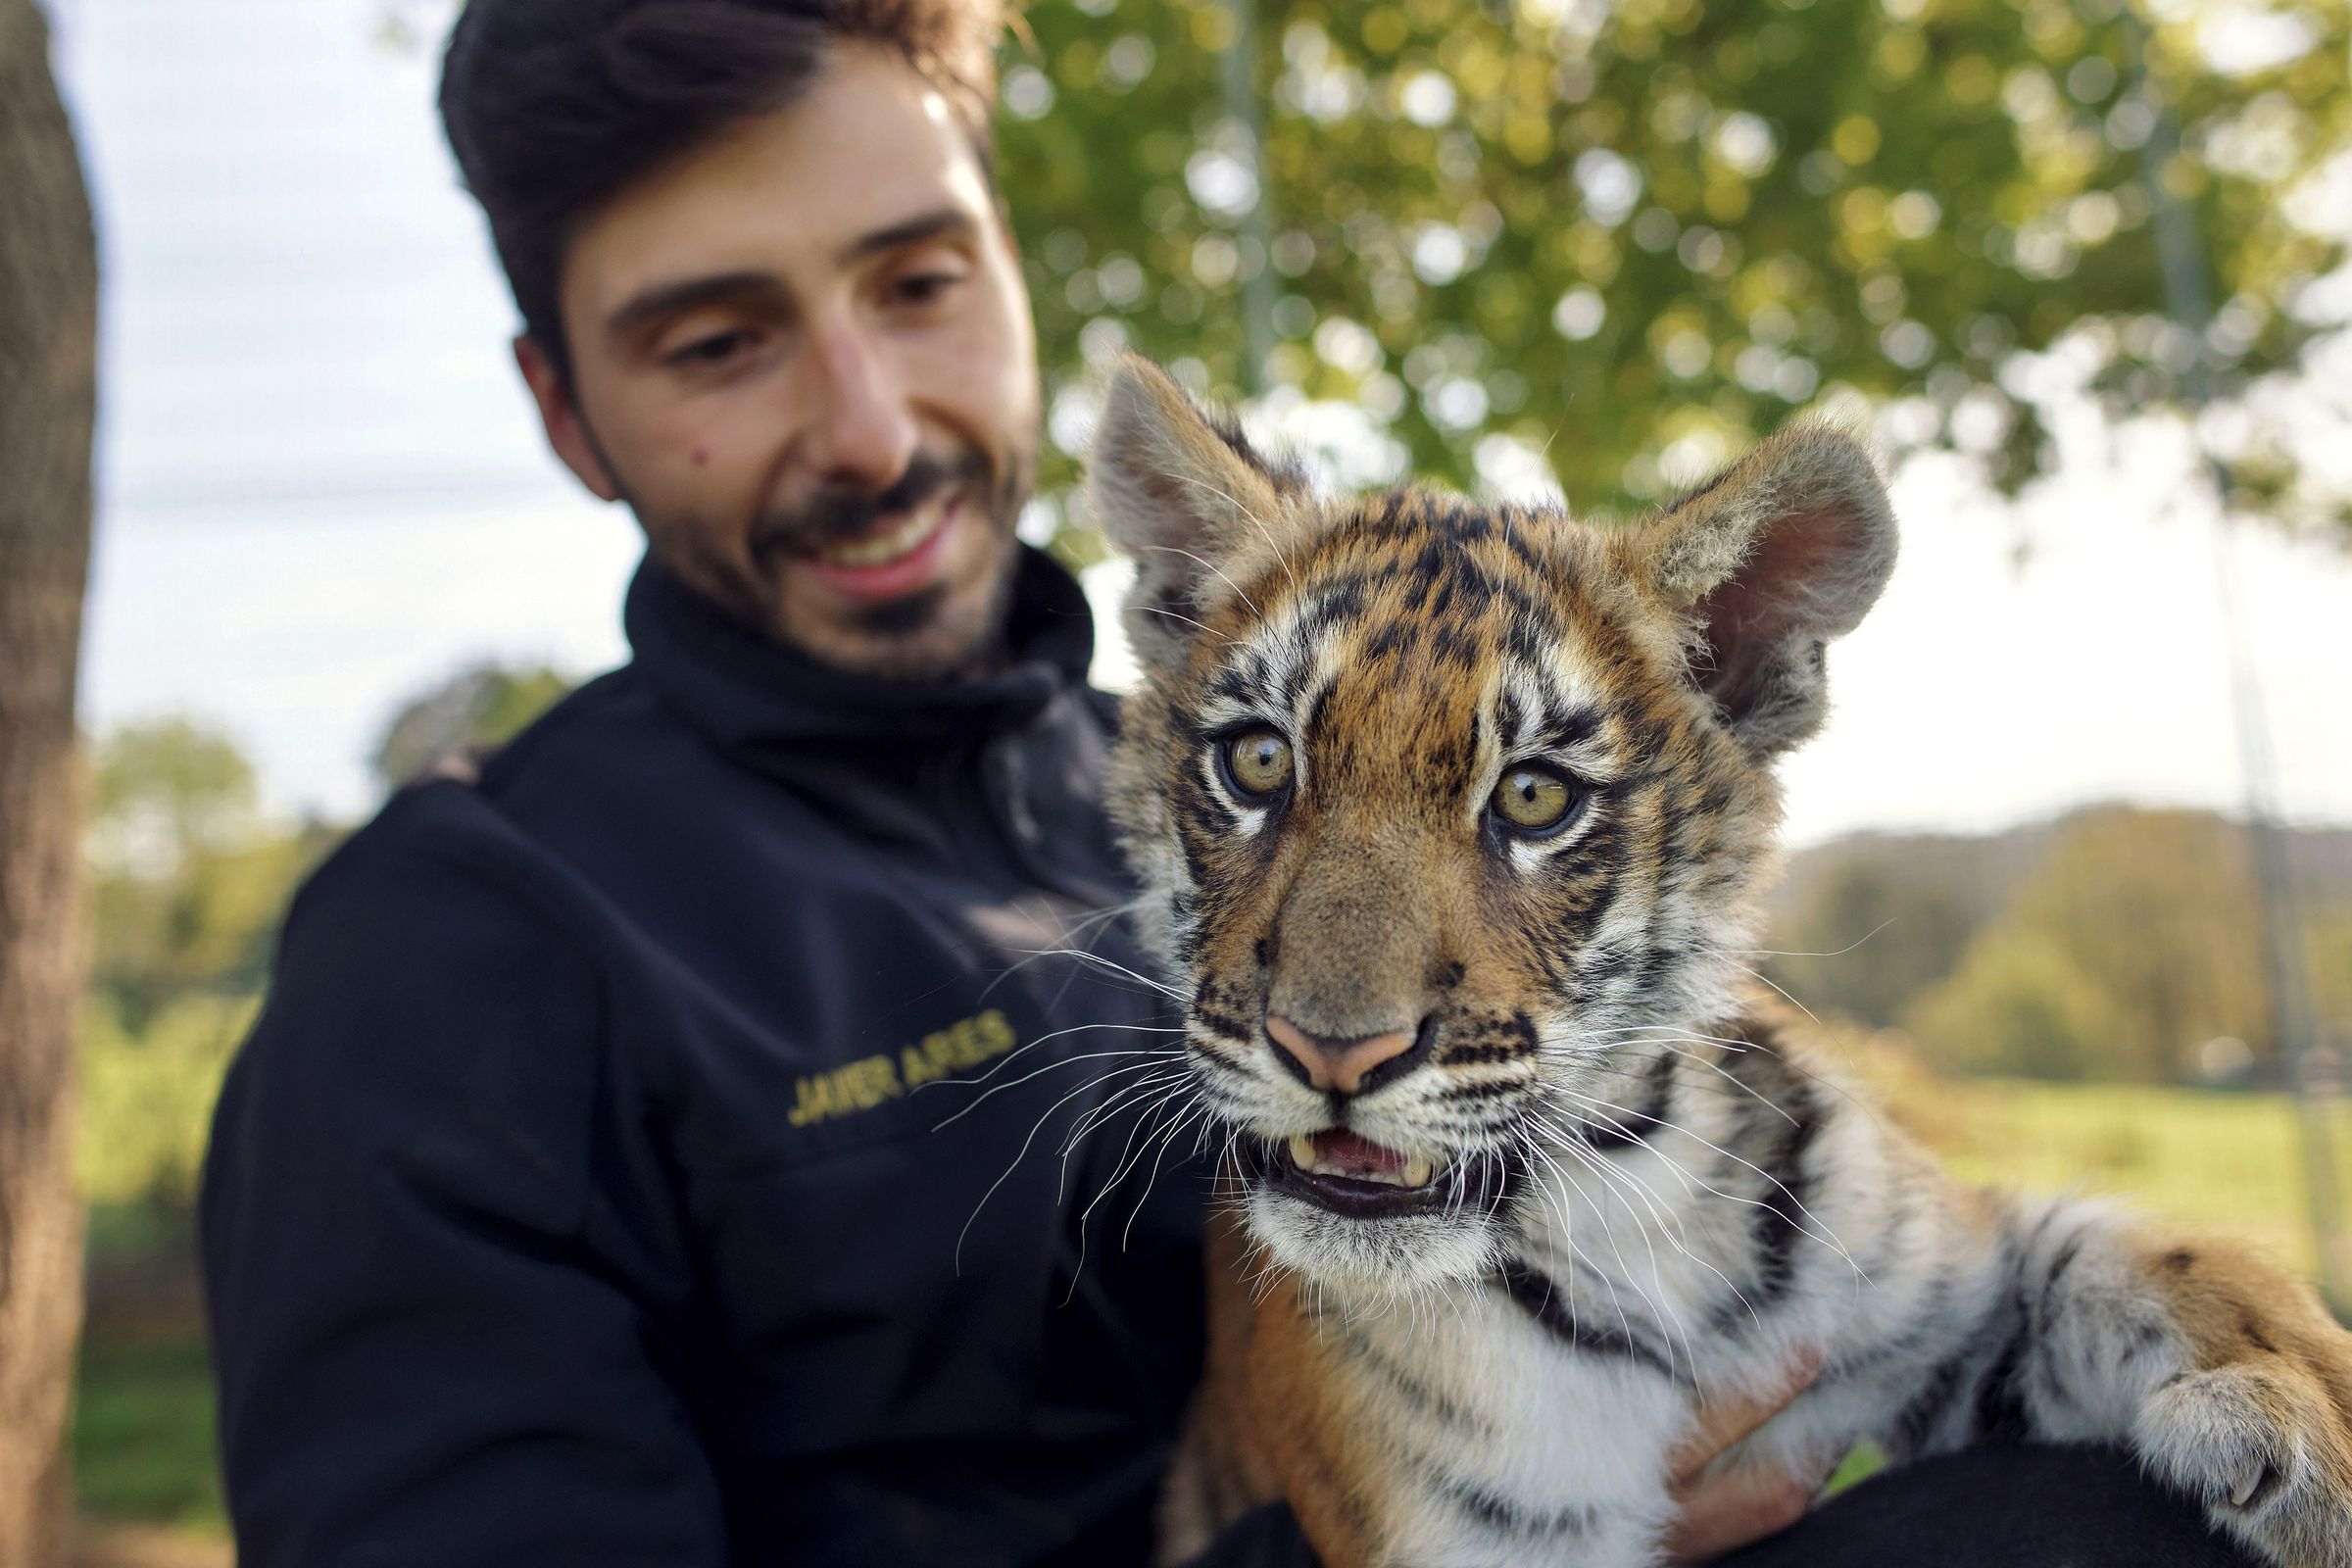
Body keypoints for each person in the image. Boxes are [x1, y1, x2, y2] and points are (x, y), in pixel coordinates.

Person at [199, 3, 2262, 1565]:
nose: (869, 423)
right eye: (716, 342)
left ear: (1004, 260)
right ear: (563, 408)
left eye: (915, 282)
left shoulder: (1169, 749)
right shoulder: (454, 956)